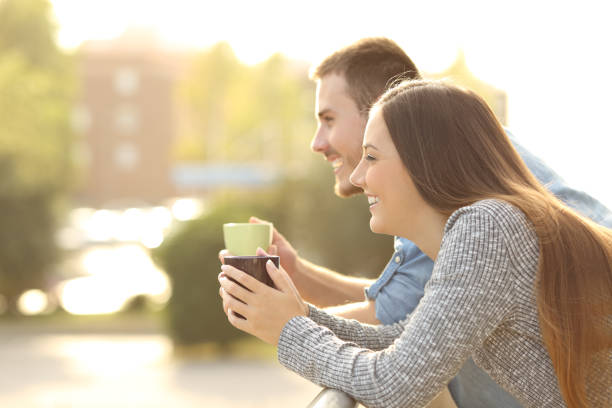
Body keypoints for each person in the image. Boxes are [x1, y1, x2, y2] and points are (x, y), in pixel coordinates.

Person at [219, 38, 612, 408]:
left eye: (371, 158)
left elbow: (395, 383)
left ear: (421, 161)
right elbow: (400, 339)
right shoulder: (484, 226)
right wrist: (295, 314)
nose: (358, 177)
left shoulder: (488, 228)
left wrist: (289, 328)